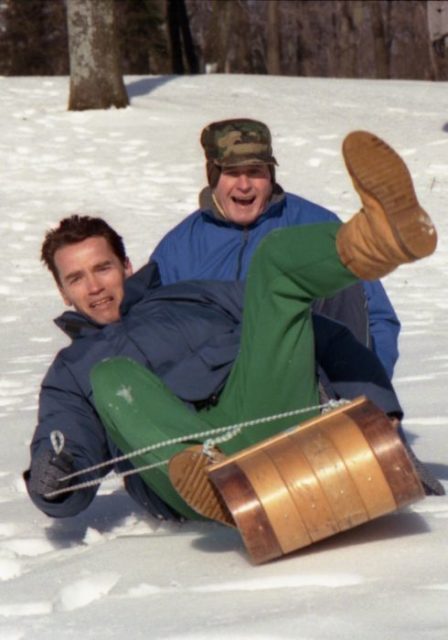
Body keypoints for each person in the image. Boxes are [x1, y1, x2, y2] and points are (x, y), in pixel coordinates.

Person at [24, 131, 442, 524]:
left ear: (127, 267)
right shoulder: (70, 371)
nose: (94, 286)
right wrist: (54, 479)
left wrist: (374, 408)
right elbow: (65, 442)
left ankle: (377, 241)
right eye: (76, 278)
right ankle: (214, 480)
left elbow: (313, 330)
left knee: (272, 262)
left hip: (259, 411)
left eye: (103, 268)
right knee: (112, 375)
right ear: (63, 293)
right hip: (180, 470)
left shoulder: (189, 295)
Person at [151, 119, 401, 379]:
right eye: (232, 173)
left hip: (311, 387)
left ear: (270, 174)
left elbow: (377, 316)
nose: (244, 185)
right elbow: (152, 334)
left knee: (336, 277)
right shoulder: (178, 249)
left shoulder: (316, 225)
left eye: (256, 171)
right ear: (213, 176)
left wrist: (374, 388)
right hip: (218, 394)